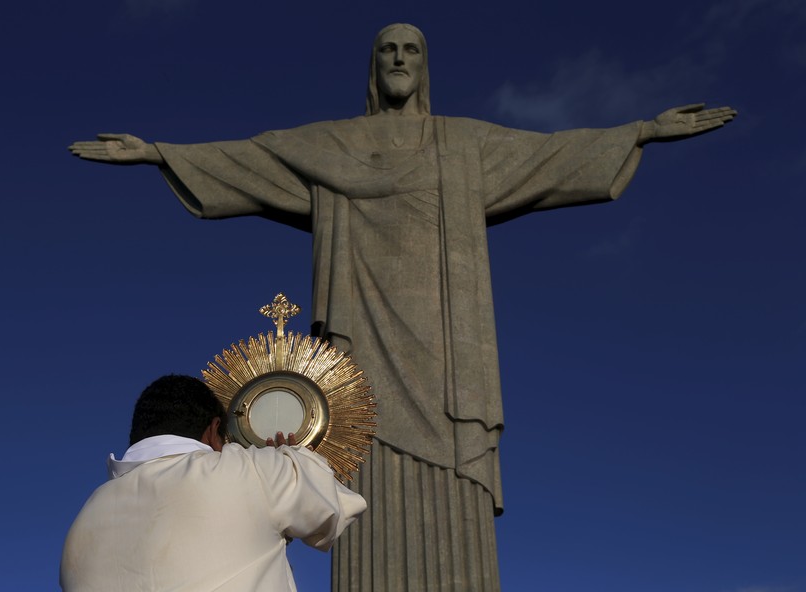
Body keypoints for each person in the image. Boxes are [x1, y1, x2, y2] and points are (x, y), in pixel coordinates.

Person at [69, 23, 735, 591]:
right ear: (372, 66)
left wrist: (642, 131)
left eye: (411, 50)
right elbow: (254, 157)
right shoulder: (329, 147)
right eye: (387, 49)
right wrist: (160, 153)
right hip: (358, 352)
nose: (397, 60)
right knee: (360, 465)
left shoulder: (463, 147)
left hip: (449, 360)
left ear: (424, 67)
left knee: (447, 481)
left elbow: (550, 156)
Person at [60, 374, 367, 592]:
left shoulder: (84, 519)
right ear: (213, 430)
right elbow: (334, 507)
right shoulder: (249, 470)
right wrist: (285, 458)